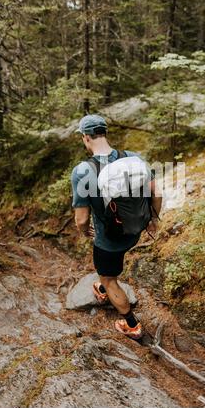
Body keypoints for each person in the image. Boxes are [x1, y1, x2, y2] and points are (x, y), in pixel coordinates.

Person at [71, 114, 162, 340]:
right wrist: (154, 219)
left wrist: (84, 231)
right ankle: (104, 287)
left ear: (86, 138)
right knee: (111, 265)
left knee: (109, 277)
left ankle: (131, 323)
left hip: (108, 239)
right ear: (104, 133)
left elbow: (82, 219)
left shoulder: (83, 171)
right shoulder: (132, 158)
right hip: (135, 230)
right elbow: (156, 192)